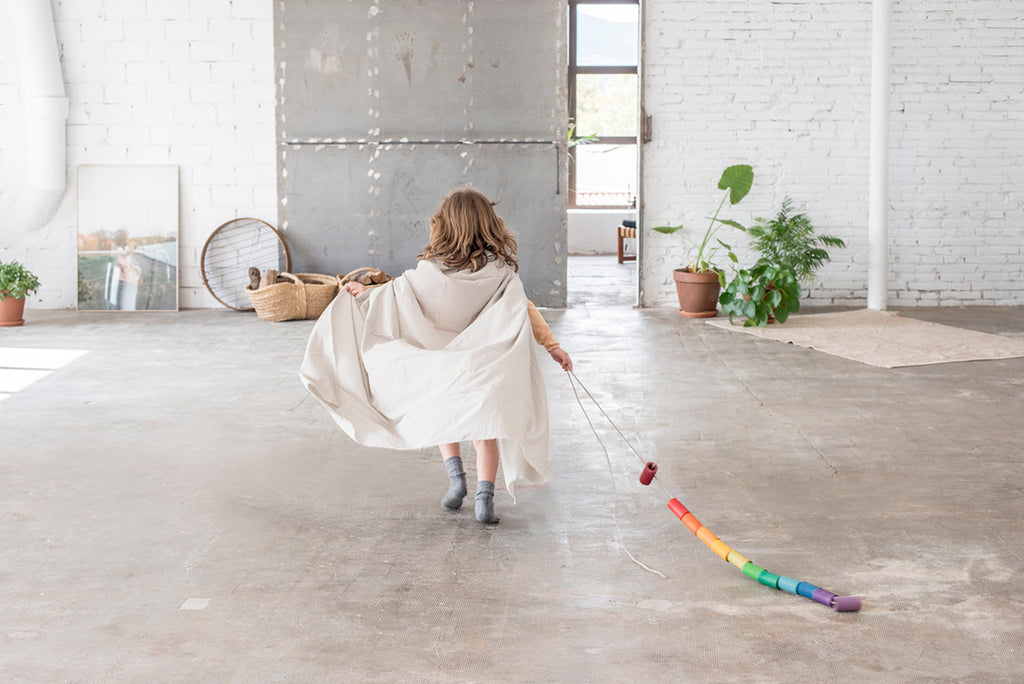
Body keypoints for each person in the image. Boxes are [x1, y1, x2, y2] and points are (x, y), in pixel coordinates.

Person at [300, 186, 572, 524]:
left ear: (443, 226)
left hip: (442, 362)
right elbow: (523, 309)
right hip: (482, 365)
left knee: (446, 419)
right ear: (489, 224)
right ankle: (485, 500)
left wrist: (367, 293)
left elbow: (400, 293)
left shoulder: (430, 271)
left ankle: (457, 482)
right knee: (485, 431)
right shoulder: (500, 271)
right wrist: (552, 345)